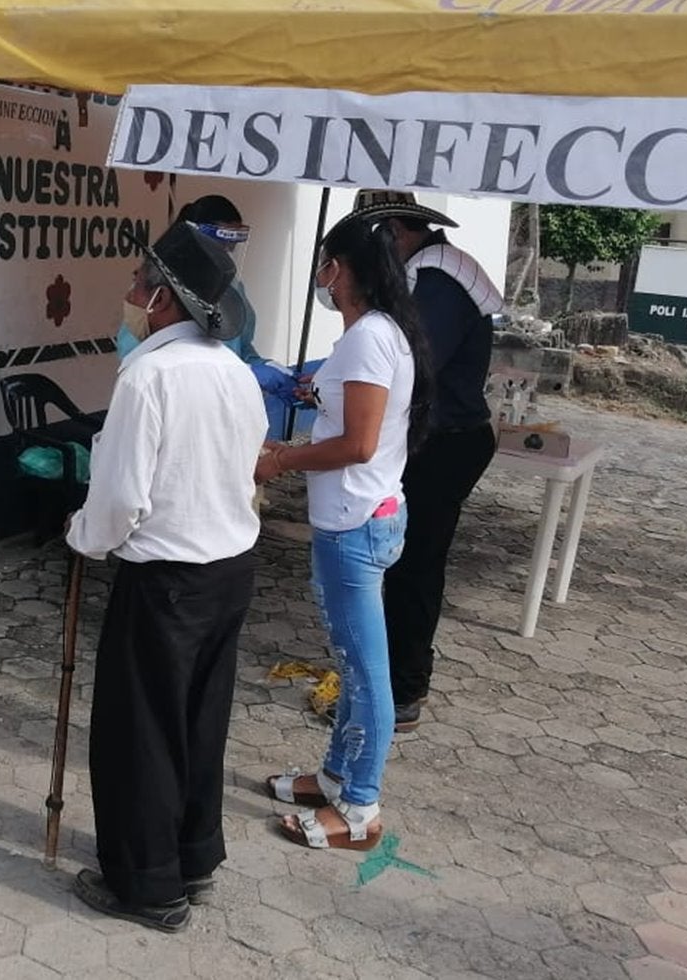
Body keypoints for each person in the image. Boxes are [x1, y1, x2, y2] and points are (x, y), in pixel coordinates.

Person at [67, 221, 266, 932]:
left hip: (168, 580)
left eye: (137, 281)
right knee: (199, 720)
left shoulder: (148, 376)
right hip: (229, 571)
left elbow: (121, 497)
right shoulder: (234, 371)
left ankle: (149, 886)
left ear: (164, 298)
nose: (129, 292)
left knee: (142, 731)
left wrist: (83, 537)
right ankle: (192, 856)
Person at [255, 206, 433, 851]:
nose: (320, 279)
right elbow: (357, 416)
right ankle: (334, 775)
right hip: (363, 516)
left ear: (341, 270)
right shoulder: (379, 331)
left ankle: (359, 809)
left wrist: (281, 459)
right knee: (352, 663)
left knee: (363, 673)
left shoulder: (369, 337)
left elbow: (359, 443)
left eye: (324, 267)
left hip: (355, 523)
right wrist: (311, 393)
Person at [369, 191, 503, 731]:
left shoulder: (440, 279)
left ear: (396, 232)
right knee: (406, 564)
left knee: (414, 568)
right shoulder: (429, 269)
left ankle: (404, 690)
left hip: (446, 443)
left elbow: (413, 366)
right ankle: (397, 679)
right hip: (438, 437)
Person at [115, 194, 320, 407]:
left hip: (225, 399)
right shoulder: (155, 291)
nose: (226, 254)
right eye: (221, 245)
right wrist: (242, 373)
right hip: (177, 401)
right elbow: (140, 356)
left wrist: (263, 366)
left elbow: (240, 348)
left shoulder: (230, 291)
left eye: (231, 247)